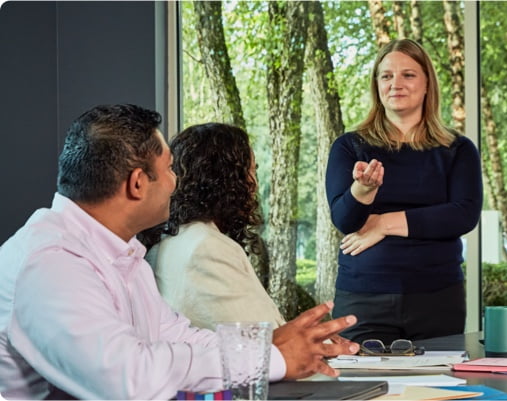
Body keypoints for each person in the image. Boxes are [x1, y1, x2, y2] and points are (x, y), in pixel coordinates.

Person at [0, 104, 359, 400]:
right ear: (138, 183)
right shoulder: (51, 262)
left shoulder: (123, 253)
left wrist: (268, 345)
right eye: (170, 168)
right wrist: (268, 360)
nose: (176, 181)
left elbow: (177, 335)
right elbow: (131, 380)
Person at [325, 39, 483, 344]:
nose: (396, 83)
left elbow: (462, 215)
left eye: (408, 75)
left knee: (437, 390)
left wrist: (384, 224)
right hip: (362, 297)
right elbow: (345, 221)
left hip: (438, 297)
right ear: (377, 86)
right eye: (386, 76)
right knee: (361, 390)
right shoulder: (349, 146)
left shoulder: (458, 149)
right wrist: (363, 190)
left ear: (427, 85)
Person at [139, 123, 285, 330]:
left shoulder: (168, 241)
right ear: (227, 181)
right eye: (250, 171)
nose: (254, 184)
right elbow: (261, 337)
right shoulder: (206, 248)